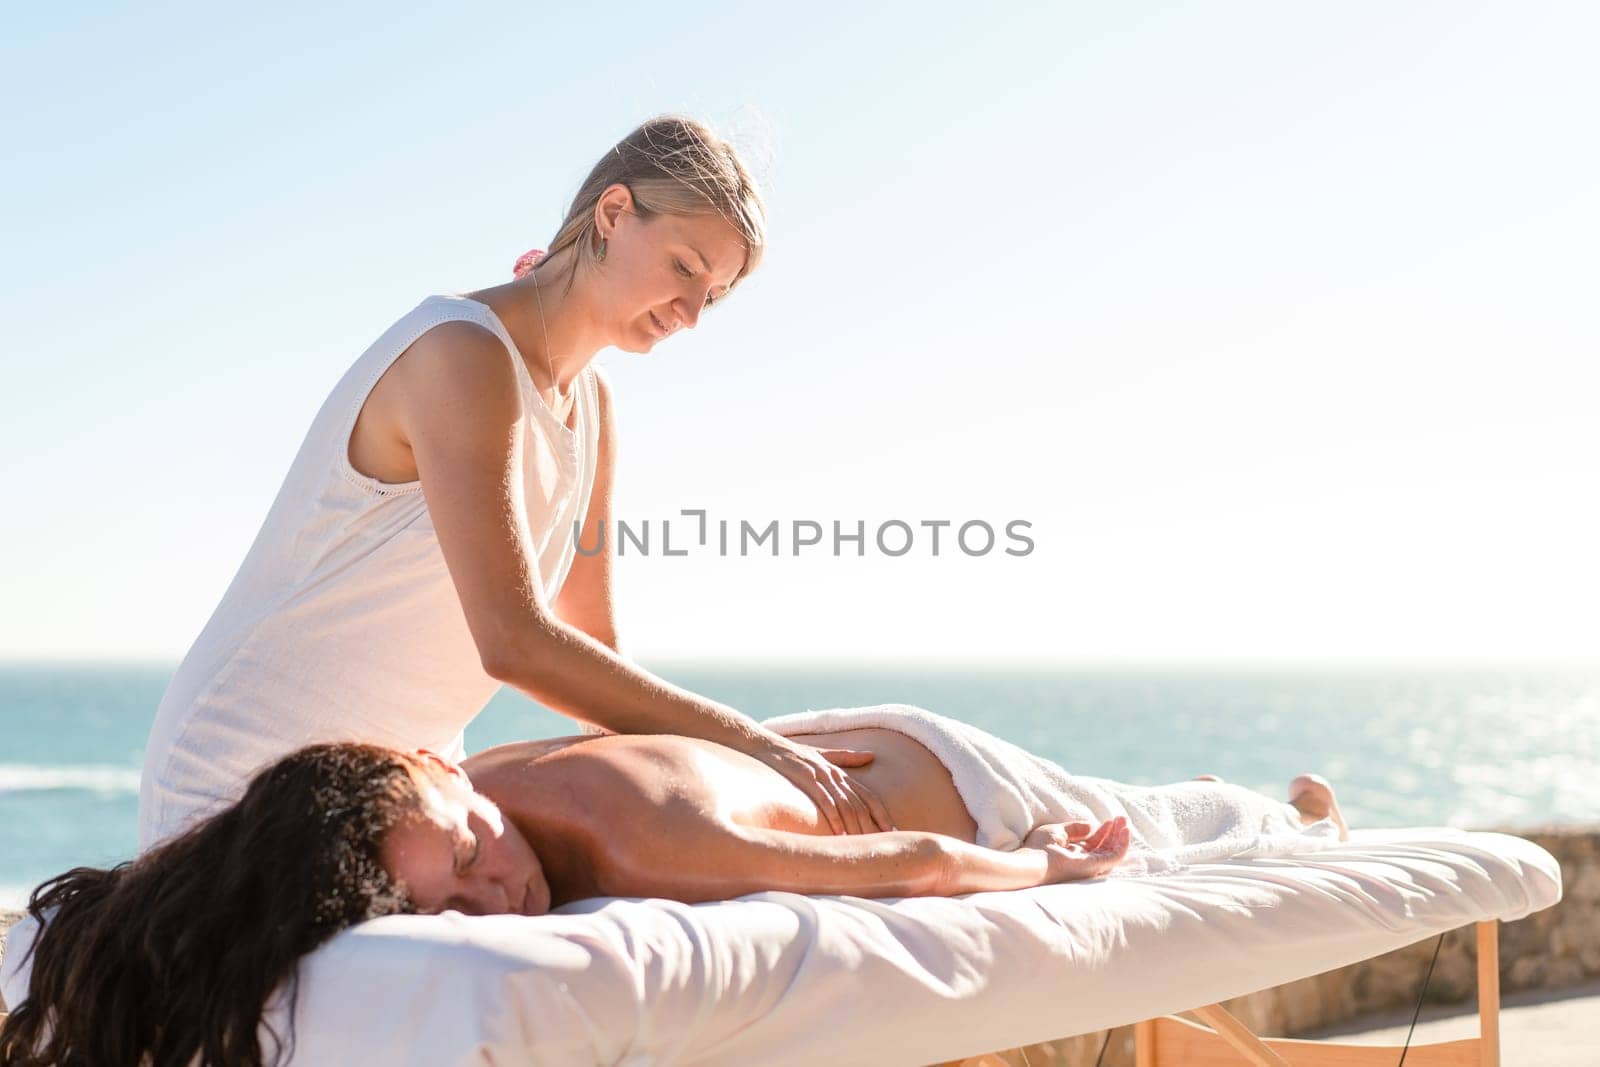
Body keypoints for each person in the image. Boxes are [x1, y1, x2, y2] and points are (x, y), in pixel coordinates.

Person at [138, 114, 891, 853]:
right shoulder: (460, 353)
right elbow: (514, 640)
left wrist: (722, 775)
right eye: (686, 267)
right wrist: (749, 741)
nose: (692, 314)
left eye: (715, 293)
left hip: (398, 804)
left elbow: (593, 642)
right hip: (239, 786)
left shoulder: (593, 407)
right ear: (615, 212)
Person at [4, 707, 1349, 1067]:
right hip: (772, 751)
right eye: (453, 903)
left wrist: (1049, 866)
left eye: (473, 845)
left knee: (1159, 825)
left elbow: (921, 865)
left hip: (946, 782)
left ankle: (1294, 815)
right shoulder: (394, 793)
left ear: (435, 764)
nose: (498, 890)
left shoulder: (648, 851)